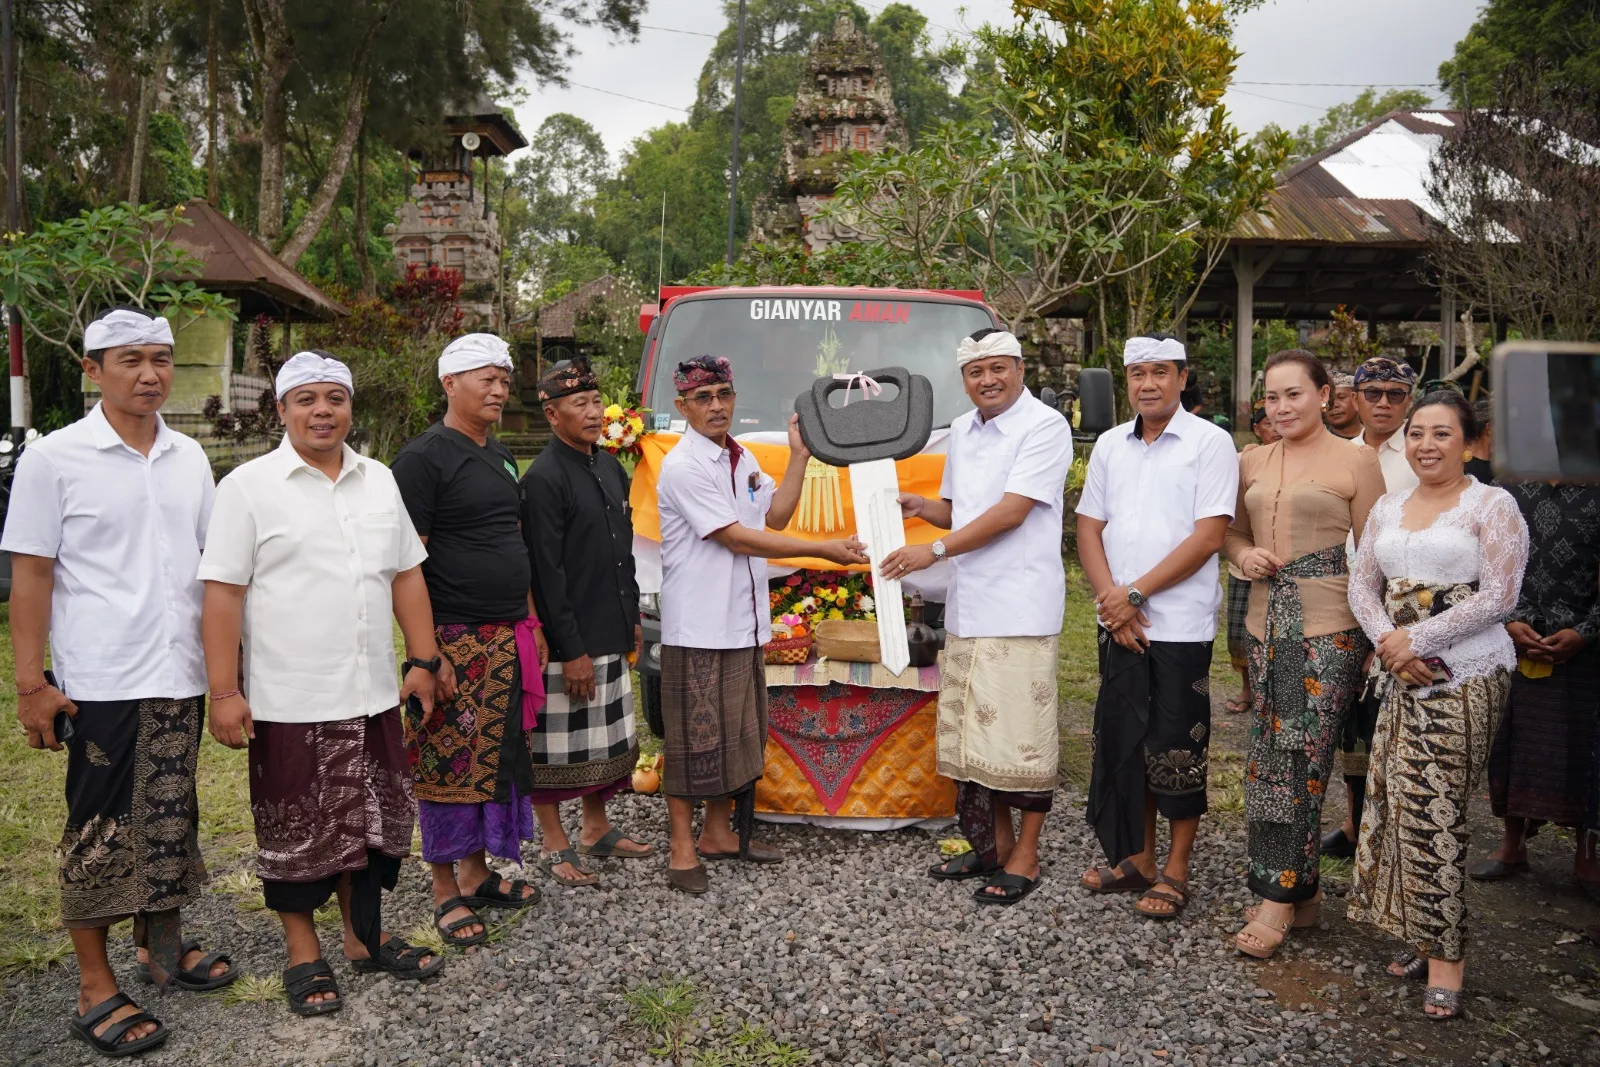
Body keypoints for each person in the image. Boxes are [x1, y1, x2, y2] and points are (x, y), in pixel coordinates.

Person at [2, 308, 236, 1056]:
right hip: (101, 678)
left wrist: (230, 670)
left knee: (172, 812)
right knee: (99, 829)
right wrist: (30, 683)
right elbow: (31, 575)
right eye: (129, 359)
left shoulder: (189, 456)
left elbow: (212, 566)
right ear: (91, 369)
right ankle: (93, 984)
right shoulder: (56, 458)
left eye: (161, 358)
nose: (149, 373)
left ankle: (160, 948)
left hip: (181, 669)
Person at [199, 351, 446, 1016]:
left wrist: (423, 658)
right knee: (298, 832)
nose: (322, 410)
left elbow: (405, 575)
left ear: (350, 408)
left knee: (368, 826)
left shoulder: (379, 480)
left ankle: (364, 937)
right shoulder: (247, 488)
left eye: (334, 397)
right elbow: (222, 594)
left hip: (369, 694)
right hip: (290, 698)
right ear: (280, 409)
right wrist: (223, 692)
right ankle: (303, 951)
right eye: (305, 398)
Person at [654, 355, 867, 894]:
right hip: (699, 625)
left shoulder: (741, 455)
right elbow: (737, 537)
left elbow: (772, 517)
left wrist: (797, 457)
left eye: (723, 393)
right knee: (691, 740)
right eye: (703, 398)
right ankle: (683, 847)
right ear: (683, 407)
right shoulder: (684, 466)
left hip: (743, 622)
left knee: (737, 733)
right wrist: (822, 550)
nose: (717, 406)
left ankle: (719, 834)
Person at [1346, 390, 1528, 1019]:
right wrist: (1391, 647)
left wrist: (1415, 638)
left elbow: (1500, 596)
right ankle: (1423, 932)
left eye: (1442, 434)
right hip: (1403, 673)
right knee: (1399, 801)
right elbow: (1361, 585)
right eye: (1418, 433)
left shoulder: (1492, 504)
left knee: (1439, 806)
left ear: (1470, 441)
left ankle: (1448, 958)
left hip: (1467, 674)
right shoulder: (1390, 506)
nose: (1426, 444)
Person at [884, 329, 1073, 906]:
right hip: (970, 605)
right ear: (963, 379)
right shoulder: (963, 430)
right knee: (976, 737)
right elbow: (958, 511)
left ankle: (1027, 855)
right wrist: (924, 510)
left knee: (1021, 738)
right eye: (975, 372)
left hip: (1019, 606)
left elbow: (1013, 513)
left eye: (998, 368)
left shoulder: (1045, 426)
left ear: (1019, 368)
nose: (987, 380)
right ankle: (992, 844)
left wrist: (934, 550)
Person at [1226, 350, 1384, 959]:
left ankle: (1277, 898)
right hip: (1266, 628)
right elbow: (1231, 531)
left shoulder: (1357, 459)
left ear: (1324, 394)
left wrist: (1375, 638)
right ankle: (1302, 893)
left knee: (1299, 762)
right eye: (1271, 397)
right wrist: (1243, 557)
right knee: (1268, 756)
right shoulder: (1252, 460)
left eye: (1294, 394)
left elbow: (1375, 554)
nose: (1282, 407)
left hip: (1329, 630)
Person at [1076, 335, 1238, 919]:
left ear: (1183, 377)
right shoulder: (1111, 447)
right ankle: (1137, 858)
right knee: (1124, 741)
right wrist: (1110, 602)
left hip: (1178, 625)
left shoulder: (1210, 443)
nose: (1148, 383)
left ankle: (1176, 868)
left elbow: (1208, 536)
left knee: (1177, 746)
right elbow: (1089, 529)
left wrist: (1135, 595)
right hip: (1118, 619)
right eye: (1138, 373)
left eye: (1161, 372)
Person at [390, 333, 541, 949]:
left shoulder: (501, 454)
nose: (500, 390)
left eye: (504, 380)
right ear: (449, 383)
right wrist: (430, 652)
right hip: (453, 636)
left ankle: (479, 874)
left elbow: (511, 536)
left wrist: (530, 621)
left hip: (506, 634)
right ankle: (444, 888)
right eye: (487, 378)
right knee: (448, 763)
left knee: (495, 763)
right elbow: (405, 563)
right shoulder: (423, 457)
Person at [520, 356, 652, 887]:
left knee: (607, 744)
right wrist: (569, 648)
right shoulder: (544, 480)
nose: (594, 413)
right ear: (552, 415)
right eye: (580, 404)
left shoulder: (607, 465)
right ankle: (555, 841)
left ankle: (597, 829)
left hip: (611, 624)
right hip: (567, 640)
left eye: (597, 401)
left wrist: (634, 617)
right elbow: (545, 575)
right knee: (555, 750)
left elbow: (624, 550)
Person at [1471, 477, 1600, 895]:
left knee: (1583, 750)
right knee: (1513, 743)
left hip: (1584, 645)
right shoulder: (1507, 489)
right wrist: (1507, 620)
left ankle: (1588, 858)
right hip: (1512, 634)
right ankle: (1512, 847)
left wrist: (1585, 632)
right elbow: (1484, 562)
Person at [1322, 355, 1420, 861]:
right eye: (1373, 392)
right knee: (1349, 718)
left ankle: (1393, 832)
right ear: (1354, 398)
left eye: (1395, 394)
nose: (1383, 402)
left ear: (1409, 400)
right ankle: (1355, 821)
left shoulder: (1421, 454)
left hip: (1402, 609)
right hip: (1342, 599)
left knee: (1394, 717)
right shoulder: (1336, 453)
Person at [1325, 371, 1361, 439]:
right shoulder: (1314, 444)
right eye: (1329, 399)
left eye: (1341, 397)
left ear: (1356, 399)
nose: (1334, 404)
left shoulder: (1379, 439)